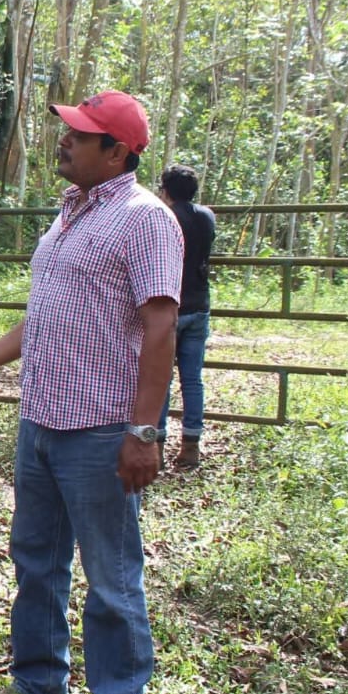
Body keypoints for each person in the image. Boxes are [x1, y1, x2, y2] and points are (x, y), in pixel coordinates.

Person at [0, 90, 181, 694]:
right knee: (35, 559)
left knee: (110, 579)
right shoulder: (69, 216)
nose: (63, 142)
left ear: (118, 152)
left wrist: (144, 431)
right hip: (41, 421)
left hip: (100, 432)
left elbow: (160, 328)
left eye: (81, 135)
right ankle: (39, 681)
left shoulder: (144, 221)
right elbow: (45, 314)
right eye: (67, 132)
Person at [158, 165, 216, 470]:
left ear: (166, 190)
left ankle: (155, 443)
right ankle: (191, 444)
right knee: (192, 379)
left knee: (161, 377)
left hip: (170, 306)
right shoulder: (206, 216)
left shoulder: (163, 217)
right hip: (199, 305)